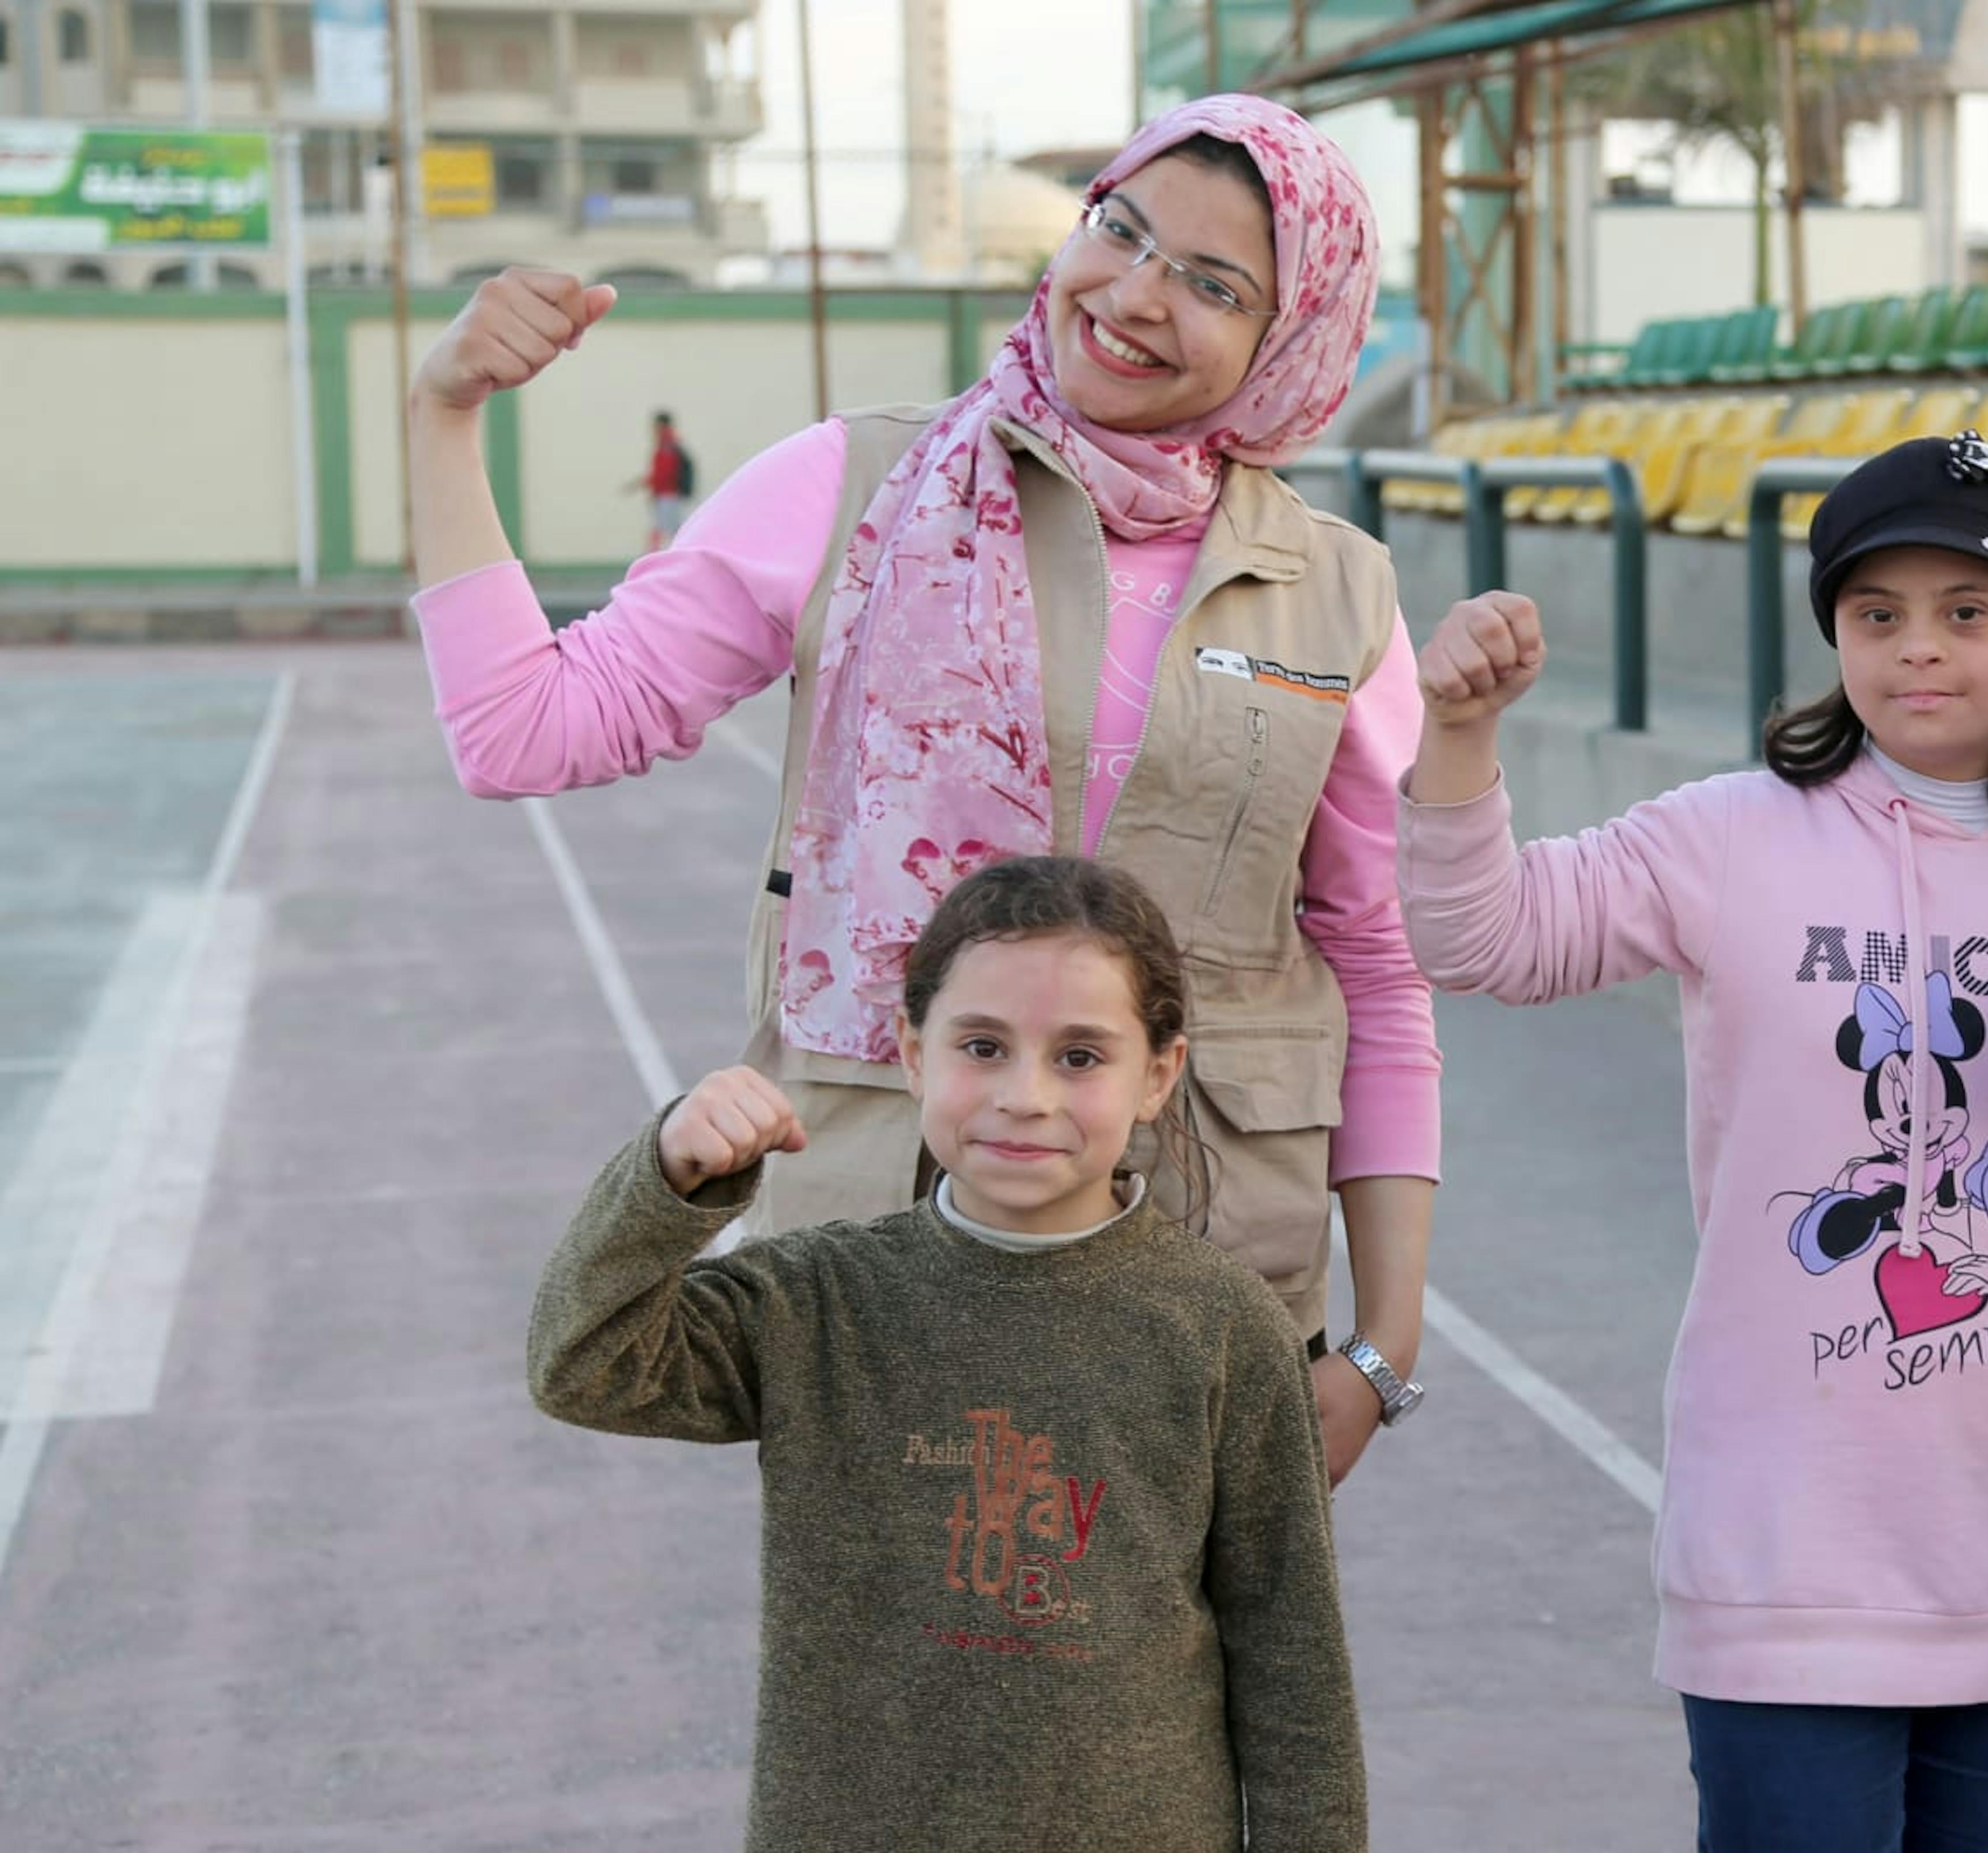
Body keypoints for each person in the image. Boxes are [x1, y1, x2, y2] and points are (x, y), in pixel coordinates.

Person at [404, 95, 1437, 1484]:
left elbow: (1374, 958)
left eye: (1212, 282)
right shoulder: (850, 490)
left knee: (1193, 1691)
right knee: (891, 1680)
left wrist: (1383, 1346)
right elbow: (521, 730)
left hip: (1206, 1270)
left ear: (1287, 340)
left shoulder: (1342, 594)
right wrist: (445, 411)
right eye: (1119, 229)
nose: (1132, 295)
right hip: (893, 1248)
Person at [1395, 431, 1988, 1852]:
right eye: (1877, 615)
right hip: (1782, 1547)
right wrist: (1462, 737)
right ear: (1833, 633)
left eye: (1968, 612)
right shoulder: (1730, 835)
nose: (1922, 651)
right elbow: (1479, 936)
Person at [530, 854, 1366, 1852]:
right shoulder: (817, 1300)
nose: (1025, 1095)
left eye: (1081, 1056)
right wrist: (665, 1175)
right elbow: (583, 1362)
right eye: (982, 1045)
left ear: (1159, 1075)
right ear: (913, 1054)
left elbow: (1292, 1661)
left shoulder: (1224, 1325)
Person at [630, 409, 696, 550]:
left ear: (662, 425)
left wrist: (652, 485)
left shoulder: (667, 444)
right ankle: (664, 555)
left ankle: (662, 556)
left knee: (668, 528)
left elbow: (665, 472)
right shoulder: (667, 443)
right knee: (666, 527)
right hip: (665, 494)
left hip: (668, 494)